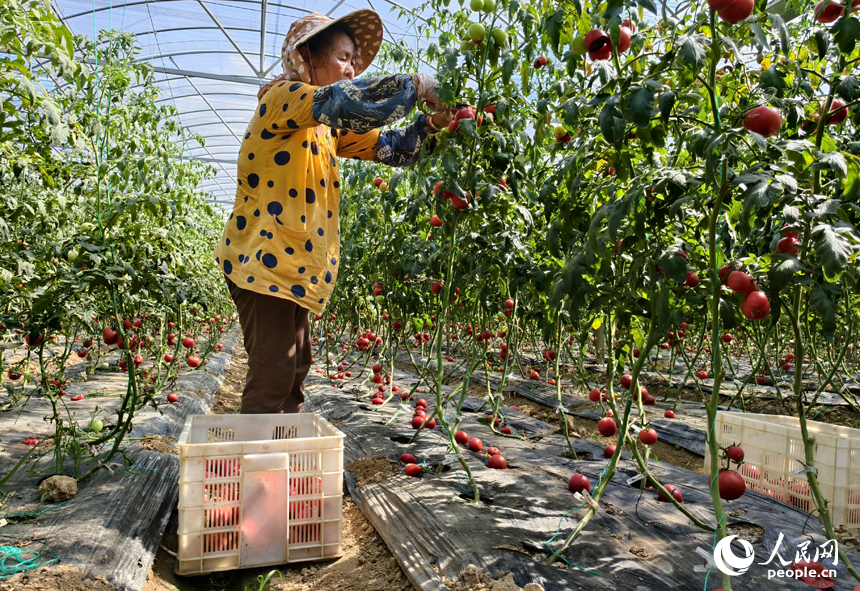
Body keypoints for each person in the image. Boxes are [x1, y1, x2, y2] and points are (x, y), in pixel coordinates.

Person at [213, 10, 455, 415]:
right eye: (344, 57)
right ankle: (255, 471)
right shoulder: (283, 98)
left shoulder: (328, 128)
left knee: (293, 371)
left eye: (355, 60)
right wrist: (414, 87)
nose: (353, 68)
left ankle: (280, 462)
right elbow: (344, 100)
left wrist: (432, 124)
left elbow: (392, 147)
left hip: (293, 269)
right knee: (273, 374)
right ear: (307, 57)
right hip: (262, 262)